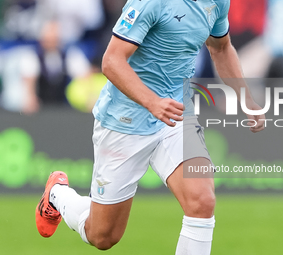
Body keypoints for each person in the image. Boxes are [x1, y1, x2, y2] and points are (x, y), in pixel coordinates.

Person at [35, 0, 265, 254]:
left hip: (175, 115)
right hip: (124, 120)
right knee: (102, 236)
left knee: (202, 201)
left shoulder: (218, 2)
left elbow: (221, 48)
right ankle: (57, 193)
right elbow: (111, 61)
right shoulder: (153, 2)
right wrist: (151, 102)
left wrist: (245, 97)